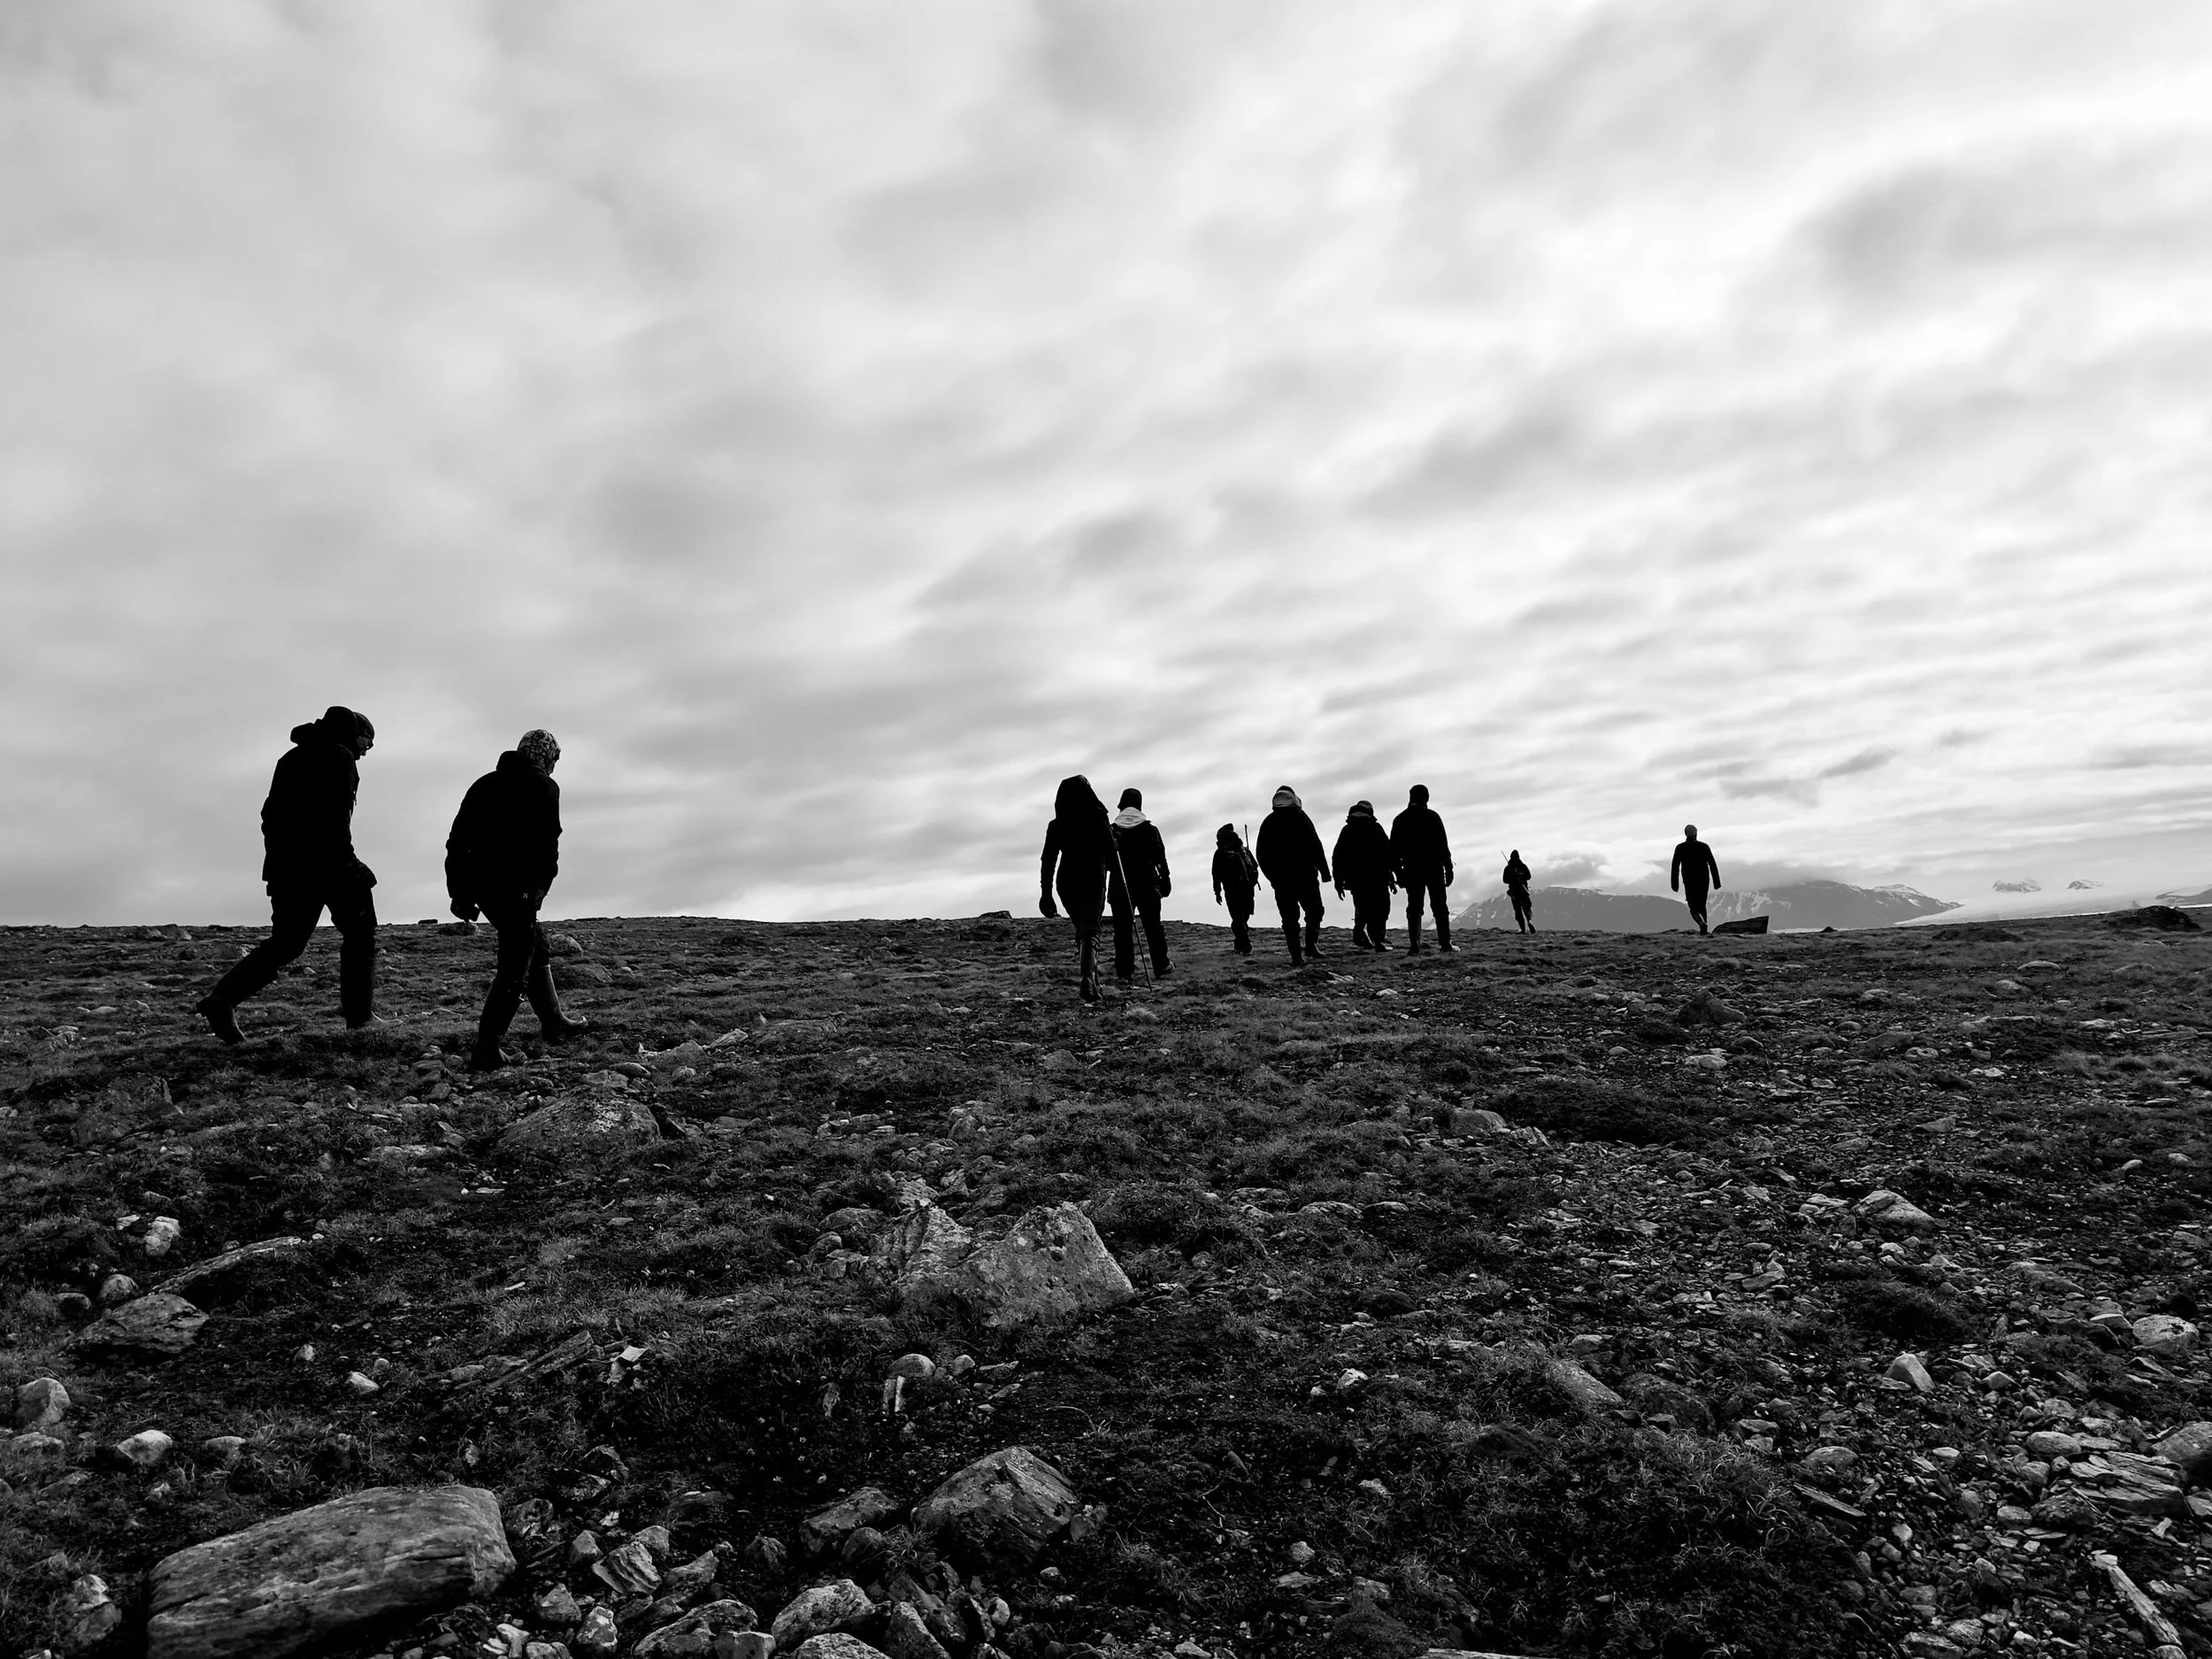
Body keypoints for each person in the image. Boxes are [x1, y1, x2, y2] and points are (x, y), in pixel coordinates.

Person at [194, 706, 380, 1043]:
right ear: (354, 733)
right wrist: (349, 862)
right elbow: (332, 818)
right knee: (361, 932)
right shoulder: (339, 757)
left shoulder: (291, 758)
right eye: (368, 742)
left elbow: (270, 815)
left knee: (287, 943)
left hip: (287, 869)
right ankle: (360, 1019)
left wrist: (283, 857)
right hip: (329, 864)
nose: (367, 751)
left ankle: (221, 1001)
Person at [446, 729, 590, 1071]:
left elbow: (457, 842)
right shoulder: (543, 786)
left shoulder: (484, 784)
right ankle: (487, 1049)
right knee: (516, 962)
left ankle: (554, 1021)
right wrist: (536, 890)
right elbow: (546, 845)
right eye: (554, 759)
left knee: (535, 944)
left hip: (484, 888)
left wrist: (461, 892)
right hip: (516, 890)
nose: (554, 765)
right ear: (546, 756)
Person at [1040, 775, 1113, 1002]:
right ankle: (1088, 979)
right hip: (1093, 877)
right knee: (1090, 930)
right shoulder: (1098, 818)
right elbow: (1112, 852)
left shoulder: (1057, 825)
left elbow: (1048, 859)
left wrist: (1046, 893)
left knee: (1083, 929)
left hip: (1067, 882)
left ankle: (1092, 979)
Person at [1255, 785, 1330, 964]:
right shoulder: (1301, 818)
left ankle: (1297, 956)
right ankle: (1310, 947)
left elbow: (1261, 855)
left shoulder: (1268, 822)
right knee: (1315, 911)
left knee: (1290, 919)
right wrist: (1325, 872)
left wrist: (1273, 877)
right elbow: (1315, 846)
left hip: (1283, 881)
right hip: (1306, 877)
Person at [1108, 787, 1172, 983]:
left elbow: (1107, 860)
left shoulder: (1112, 830)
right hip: (1147, 883)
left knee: (1122, 930)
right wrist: (1165, 878)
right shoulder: (1149, 829)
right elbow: (1160, 856)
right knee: (1153, 926)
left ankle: (1124, 972)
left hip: (1120, 884)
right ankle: (1161, 966)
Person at [1390, 784, 1456, 954]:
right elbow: (1443, 845)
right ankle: (1446, 944)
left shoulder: (1400, 820)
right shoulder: (1433, 817)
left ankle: (1415, 945)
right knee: (1440, 906)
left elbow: (1393, 852)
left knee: (1414, 907)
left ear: (1410, 797)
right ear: (1426, 798)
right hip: (1433, 867)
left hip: (1412, 868)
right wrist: (1448, 868)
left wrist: (1399, 874)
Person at [1332, 800, 1400, 950]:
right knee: (1381, 908)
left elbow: (1338, 857)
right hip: (1378, 877)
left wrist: (1338, 880)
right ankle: (1379, 941)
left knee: (1361, 906)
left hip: (1355, 879)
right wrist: (1394, 875)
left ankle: (1361, 933)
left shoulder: (1347, 830)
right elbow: (1387, 854)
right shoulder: (1375, 828)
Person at [1210, 824, 1260, 955]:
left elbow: (1216, 874)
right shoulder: (1242, 850)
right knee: (1241, 918)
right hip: (1246, 889)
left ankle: (1240, 943)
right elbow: (1255, 865)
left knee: (1240, 918)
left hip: (1235, 890)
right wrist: (1217, 891)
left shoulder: (1221, 853)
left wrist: (1217, 891)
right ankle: (1245, 945)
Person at [1671, 824, 1723, 934]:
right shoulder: (1704, 847)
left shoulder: (1680, 848)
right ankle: (1704, 928)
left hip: (1689, 881)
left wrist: (1674, 884)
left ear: (1686, 834)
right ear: (1695, 833)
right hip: (1703, 880)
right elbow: (1712, 864)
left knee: (1693, 907)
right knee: (1702, 904)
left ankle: (1701, 923)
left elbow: (1675, 867)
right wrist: (1716, 882)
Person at [1502, 849, 1535, 933]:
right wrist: (1521, 876)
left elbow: (1505, 880)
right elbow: (1529, 876)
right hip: (1524, 891)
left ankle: (1523, 929)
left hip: (1514, 892)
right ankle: (1529, 921)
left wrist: (1513, 878)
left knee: (1518, 910)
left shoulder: (1508, 868)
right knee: (1526, 907)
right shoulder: (1523, 866)